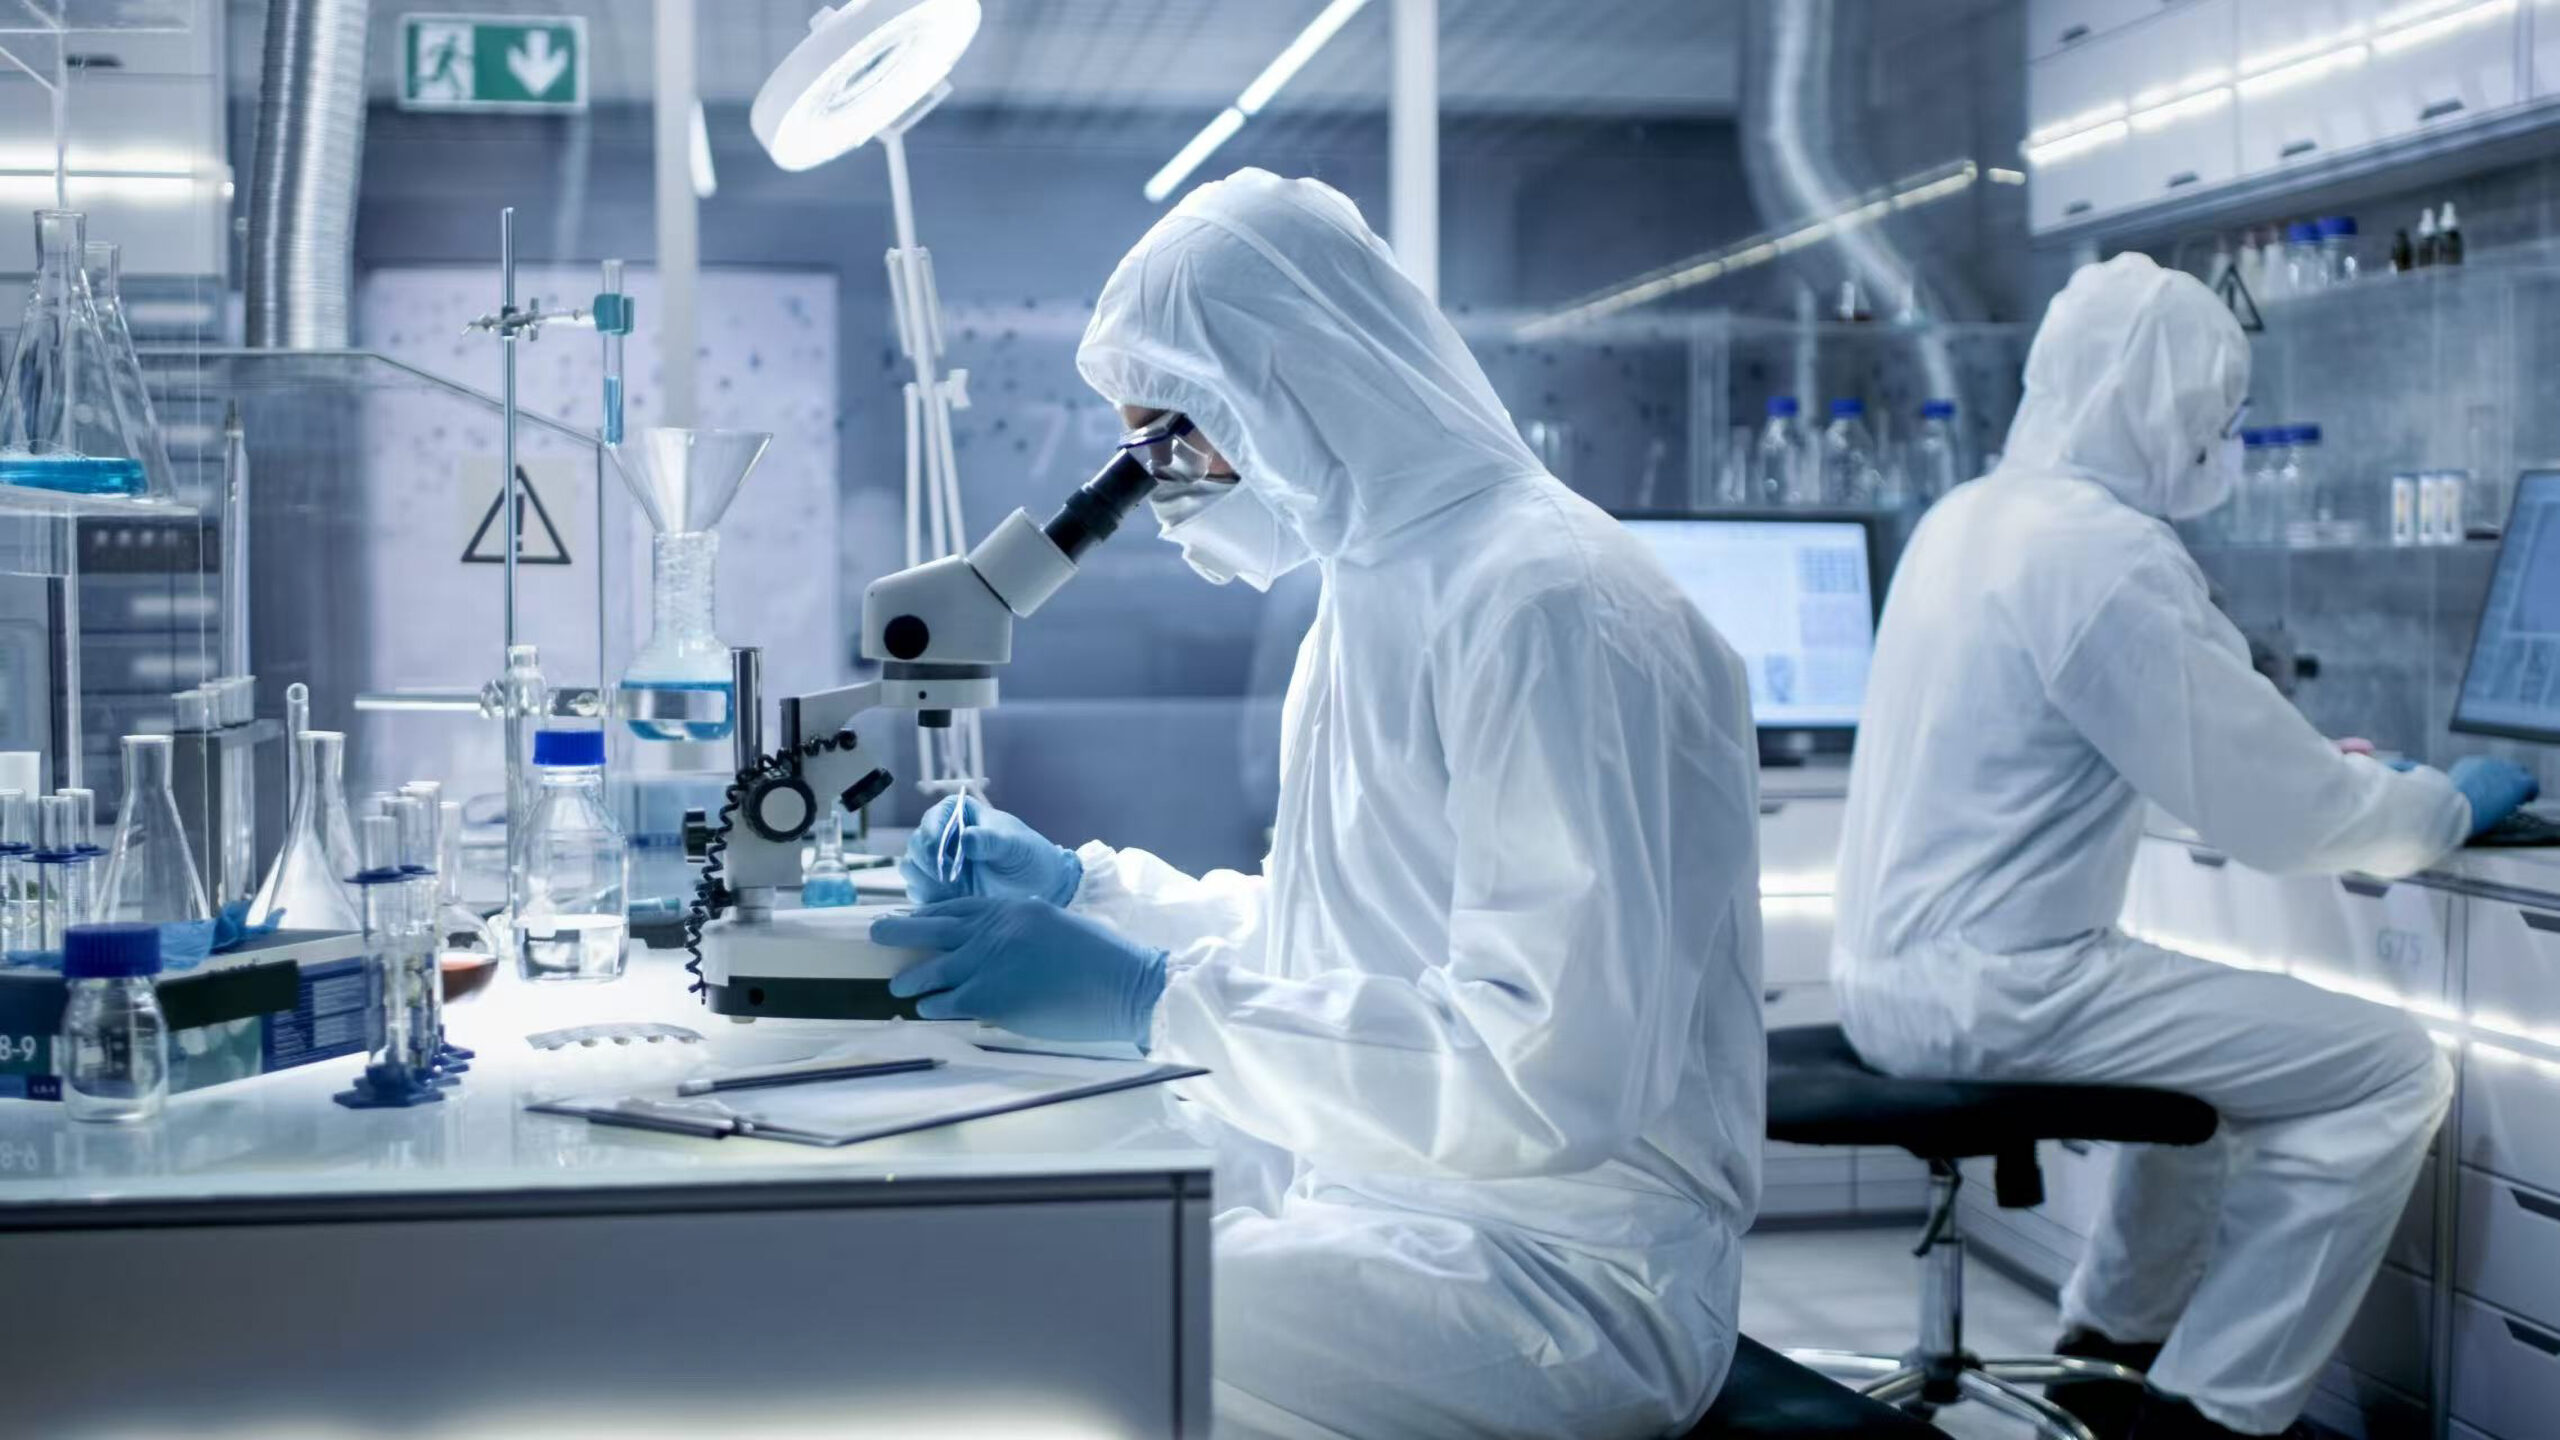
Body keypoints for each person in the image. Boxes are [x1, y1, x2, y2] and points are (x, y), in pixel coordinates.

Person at [869, 168, 1767, 1439]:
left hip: (1565, 1280)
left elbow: (1542, 1073)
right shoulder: (1376, 591)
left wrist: (1151, 1001)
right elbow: (1344, 940)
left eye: (1175, 440)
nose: (1164, 486)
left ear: (1292, 383)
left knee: (1056, 1290)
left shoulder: (1552, 604)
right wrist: (1093, 896)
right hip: (1389, 1190)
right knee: (1022, 1185)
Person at [1828, 252, 2539, 1440]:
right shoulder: (2102, 552)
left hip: (1891, 980)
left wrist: (2305, 764)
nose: (2221, 441)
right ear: (2161, 407)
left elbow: (2126, 739)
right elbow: (2284, 816)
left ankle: (2112, 1348)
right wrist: (2442, 809)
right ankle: (2212, 1411)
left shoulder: (1971, 518)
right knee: (2390, 1070)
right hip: (2000, 991)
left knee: (2209, 1063)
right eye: (2216, 414)